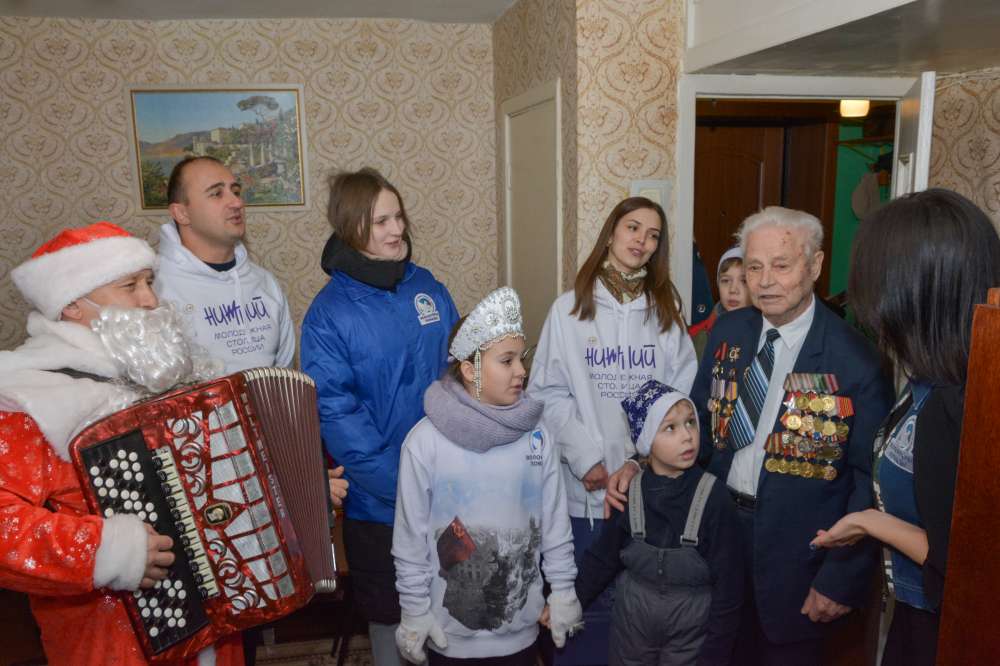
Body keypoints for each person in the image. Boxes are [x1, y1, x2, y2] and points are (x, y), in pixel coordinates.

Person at [608, 206, 894, 664]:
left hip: (799, 559)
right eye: (754, 267)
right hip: (716, 536)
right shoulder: (729, 331)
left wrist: (840, 579)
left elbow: (869, 484)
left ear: (815, 266)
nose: (765, 282)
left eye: (781, 265)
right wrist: (639, 467)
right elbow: (696, 427)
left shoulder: (855, 360)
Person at [0, 221, 241, 665]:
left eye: (149, 282)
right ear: (72, 304)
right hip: (109, 636)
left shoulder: (168, 374)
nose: (150, 300)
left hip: (219, 618)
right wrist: (106, 552)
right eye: (130, 286)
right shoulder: (30, 395)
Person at [811, 189, 1000, 666]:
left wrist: (869, 521)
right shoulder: (925, 381)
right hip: (913, 617)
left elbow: (964, 561)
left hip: (943, 631)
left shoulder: (958, 407)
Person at [300, 167, 459, 666]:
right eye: (380, 222)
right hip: (380, 505)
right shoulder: (329, 314)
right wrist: (404, 484)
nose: (397, 230)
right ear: (351, 229)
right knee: (394, 621)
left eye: (398, 217)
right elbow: (336, 412)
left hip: (448, 486)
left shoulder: (426, 286)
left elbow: (460, 370)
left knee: (453, 605)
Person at [528, 196, 698, 661]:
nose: (642, 241)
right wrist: (586, 460)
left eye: (653, 235)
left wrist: (639, 462)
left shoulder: (666, 312)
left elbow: (679, 401)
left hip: (647, 491)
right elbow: (546, 394)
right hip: (583, 493)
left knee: (639, 618)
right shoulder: (568, 310)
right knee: (580, 614)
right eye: (633, 228)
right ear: (611, 233)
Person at [392, 287, 581, 665]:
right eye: (506, 361)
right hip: (449, 638)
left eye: (521, 358)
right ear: (470, 369)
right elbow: (410, 540)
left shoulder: (538, 436)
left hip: (521, 638)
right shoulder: (425, 443)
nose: (521, 371)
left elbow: (554, 525)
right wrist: (414, 610)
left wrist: (563, 590)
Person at [574, 379, 742, 665]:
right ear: (646, 440)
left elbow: (730, 589)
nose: (687, 436)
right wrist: (569, 602)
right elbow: (602, 559)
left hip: (691, 639)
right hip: (631, 633)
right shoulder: (629, 492)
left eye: (690, 422)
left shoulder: (715, 498)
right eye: (670, 428)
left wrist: (715, 656)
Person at [155, 155, 296, 373]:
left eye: (236, 191)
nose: (237, 203)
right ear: (182, 213)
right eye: (216, 193)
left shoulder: (265, 283)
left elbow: (285, 373)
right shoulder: (155, 291)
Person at [690, 247, 750, 359]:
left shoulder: (765, 335)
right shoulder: (698, 336)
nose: (733, 289)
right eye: (725, 281)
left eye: (743, 281)